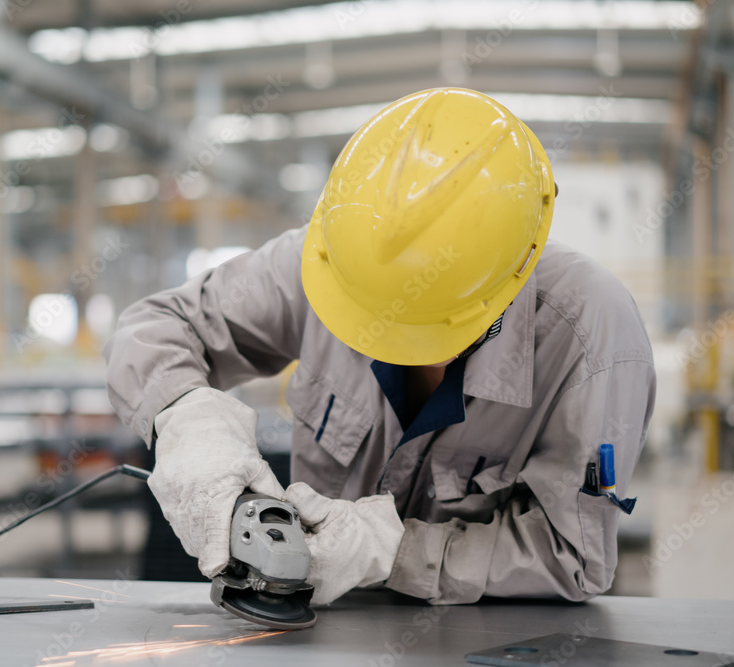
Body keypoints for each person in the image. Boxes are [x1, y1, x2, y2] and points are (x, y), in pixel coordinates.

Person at [105, 87, 656, 606]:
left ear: (507, 286)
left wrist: (391, 552)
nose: (396, 345)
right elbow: (155, 324)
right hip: (319, 637)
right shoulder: (332, 261)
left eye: (423, 328)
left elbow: (574, 555)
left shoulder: (593, 338)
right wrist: (185, 414)